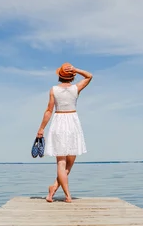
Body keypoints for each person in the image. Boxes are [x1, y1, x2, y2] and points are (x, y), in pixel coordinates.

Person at [37, 63, 93, 203]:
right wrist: (76, 69)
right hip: (72, 121)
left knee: (64, 163)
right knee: (65, 163)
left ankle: (53, 189)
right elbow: (89, 76)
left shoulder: (54, 90)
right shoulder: (76, 88)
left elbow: (49, 111)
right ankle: (68, 195)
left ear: (59, 76)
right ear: (72, 76)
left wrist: (42, 128)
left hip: (59, 121)